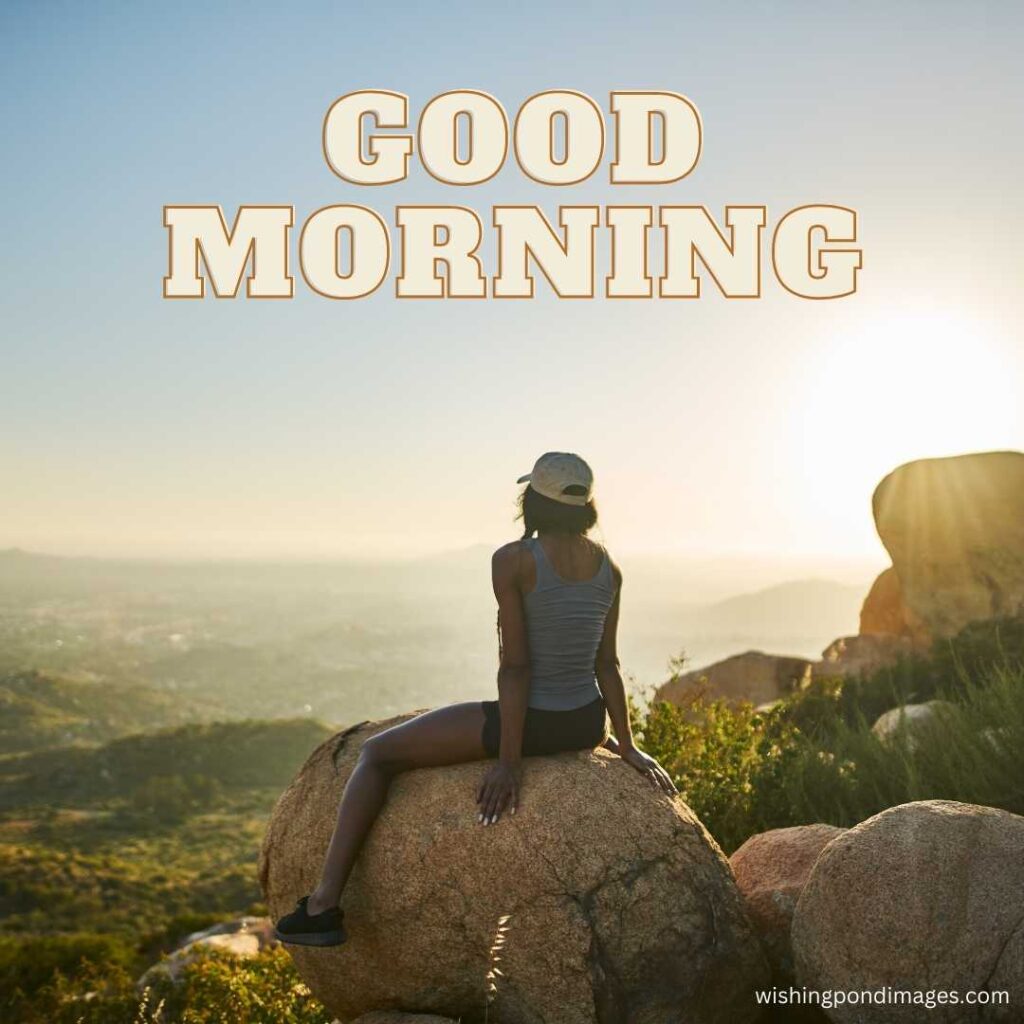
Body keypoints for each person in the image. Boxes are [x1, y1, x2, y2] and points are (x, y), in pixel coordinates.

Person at [274, 452, 677, 947]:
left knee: (376, 753)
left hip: (536, 723)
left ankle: (323, 905)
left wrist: (508, 762)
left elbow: (517, 667)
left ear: (532, 501)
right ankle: (323, 905)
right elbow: (606, 665)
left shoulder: (513, 560)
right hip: (587, 723)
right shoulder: (608, 567)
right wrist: (625, 744)